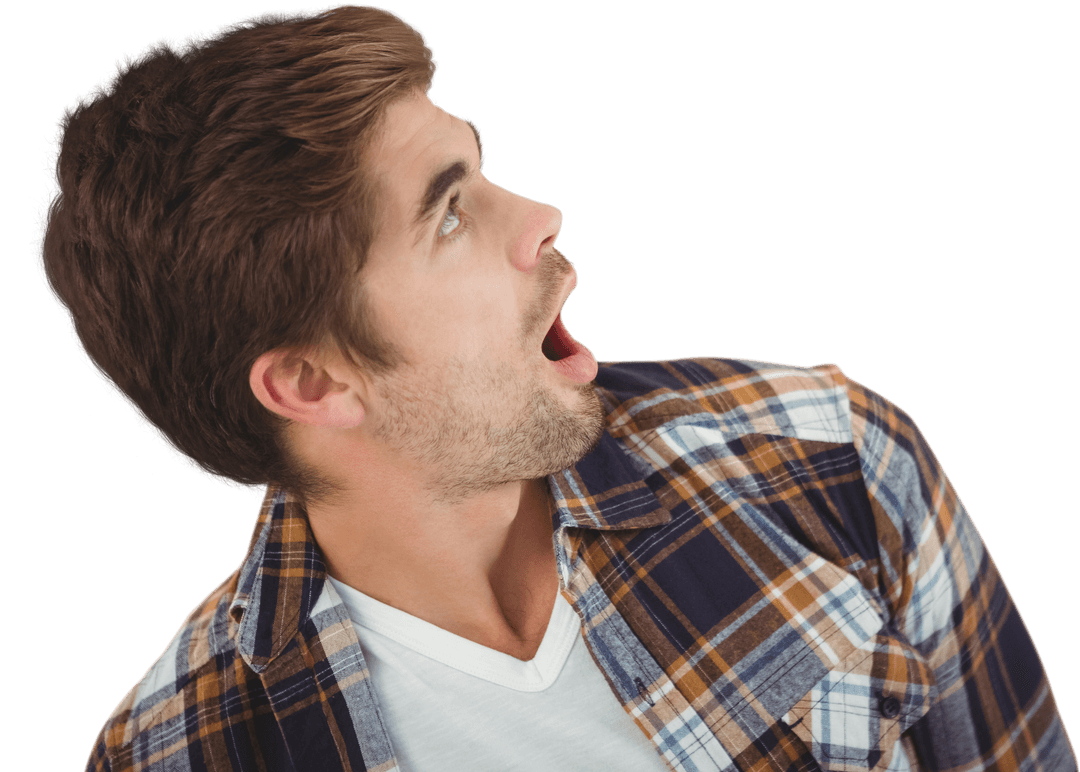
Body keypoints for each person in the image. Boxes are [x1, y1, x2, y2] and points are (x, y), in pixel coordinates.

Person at [33, 5, 1075, 772]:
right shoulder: (175, 748)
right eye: (447, 213)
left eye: (481, 168)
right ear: (311, 380)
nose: (542, 213)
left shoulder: (825, 454)